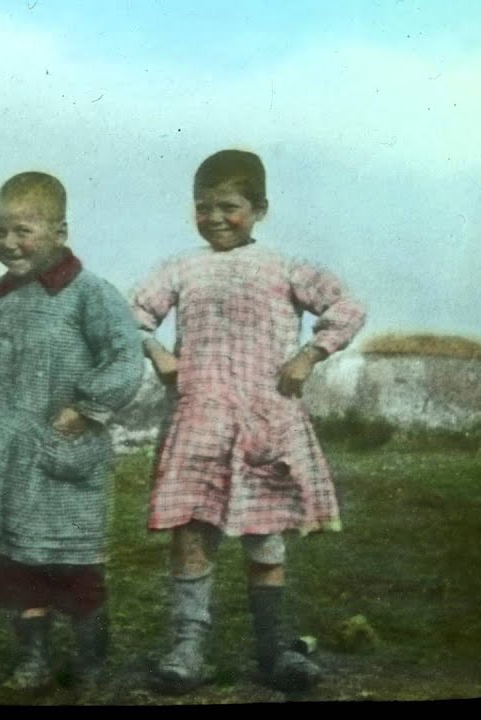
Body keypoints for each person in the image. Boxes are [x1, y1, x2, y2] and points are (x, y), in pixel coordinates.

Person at [130, 149, 366, 694]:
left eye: (228, 207)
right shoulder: (181, 267)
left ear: (259, 208)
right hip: (201, 418)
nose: (213, 218)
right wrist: (157, 353)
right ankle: (187, 647)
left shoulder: (286, 267)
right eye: (202, 207)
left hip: (266, 422)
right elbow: (134, 314)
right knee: (193, 531)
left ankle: (273, 650)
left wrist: (309, 356)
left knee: (264, 539)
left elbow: (347, 308)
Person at [0, 171, 145, 692]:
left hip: (64, 456)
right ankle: (32, 658)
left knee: (74, 568)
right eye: (0, 231)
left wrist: (86, 406)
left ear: (60, 231)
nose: (9, 243)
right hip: (7, 457)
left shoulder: (90, 294)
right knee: (15, 565)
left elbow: (125, 355)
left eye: (24, 231)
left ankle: (91, 662)